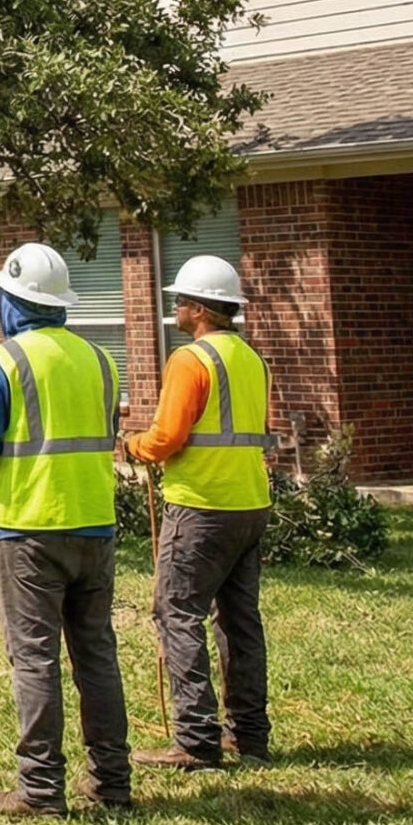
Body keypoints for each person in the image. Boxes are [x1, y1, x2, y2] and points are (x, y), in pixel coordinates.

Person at [0, 242, 133, 816]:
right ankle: (112, 782)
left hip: (31, 530)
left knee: (34, 659)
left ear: (13, 301)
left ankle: (40, 790)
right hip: (96, 525)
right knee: (97, 655)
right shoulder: (103, 361)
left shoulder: (0, 362)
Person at [128, 255, 273, 769]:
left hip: (201, 506)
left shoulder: (190, 360)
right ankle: (249, 735)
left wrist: (133, 445)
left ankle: (195, 739)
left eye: (181, 302)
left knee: (177, 613)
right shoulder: (252, 360)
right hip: (250, 503)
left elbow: (167, 438)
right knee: (239, 621)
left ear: (200, 309)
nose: (176, 310)